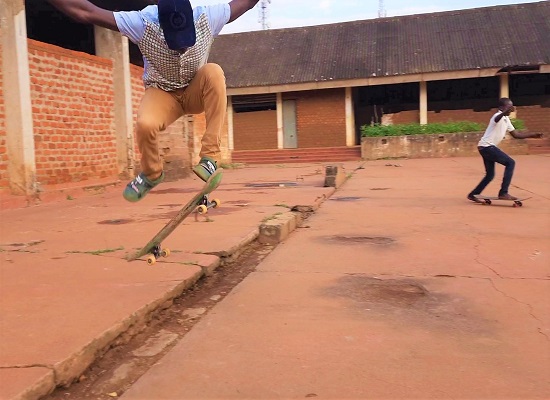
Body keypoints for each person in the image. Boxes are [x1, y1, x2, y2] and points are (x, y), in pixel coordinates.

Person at [47, 0, 259, 202]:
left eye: (186, 41)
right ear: (161, 26)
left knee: (214, 72)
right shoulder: (142, 23)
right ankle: (151, 173)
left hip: (196, 91)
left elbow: (246, 3)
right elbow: (85, 11)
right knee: (145, 124)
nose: (181, 49)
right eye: (174, 43)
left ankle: (210, 157)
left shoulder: (207, 17)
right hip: (163, 94)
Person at [467, 97, 543, 202]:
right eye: (508, 107)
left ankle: (473, 194)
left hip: (485, 147)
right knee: (510, 163)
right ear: (501, 107)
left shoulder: (506, 120)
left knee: (490, 175)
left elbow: (516, 135)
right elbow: (497, 118)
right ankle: (503, 193)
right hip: (487, 147)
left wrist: (533, 135)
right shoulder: (497, 116)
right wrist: (506, 111)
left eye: (511, 107)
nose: (510, 110)